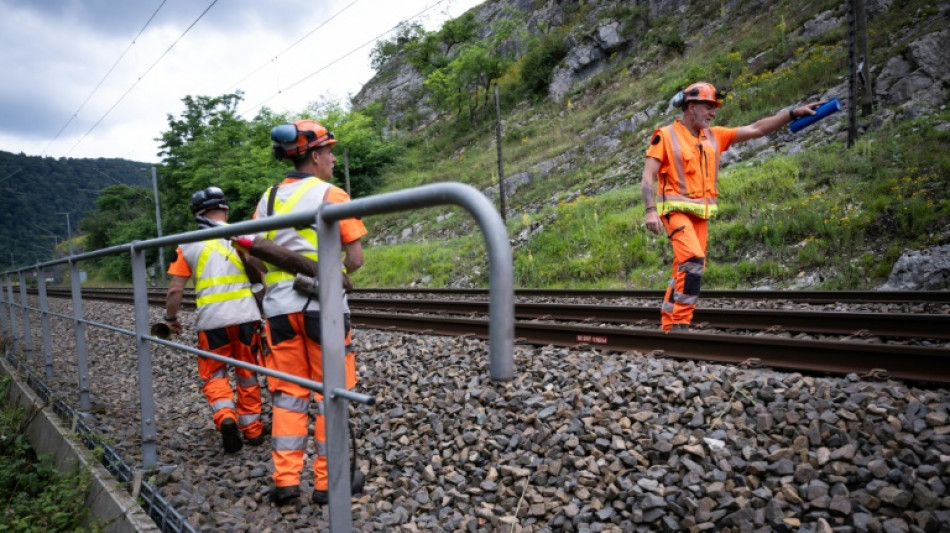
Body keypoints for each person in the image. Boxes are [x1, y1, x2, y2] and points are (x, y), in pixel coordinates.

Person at [642, 81, 823, 332]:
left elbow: (756, 129)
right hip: (674, 212)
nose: (713, 112)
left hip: (700, 215)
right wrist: (650, 211)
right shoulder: (666, 135)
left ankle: (667, 324)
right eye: (708, 106)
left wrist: (792, 114)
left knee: (686, 267)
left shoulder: (714, 136)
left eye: (714, 108)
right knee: (693, 260)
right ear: (691, 106)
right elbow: (647, 176)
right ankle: (681, 324)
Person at [253, 119, 367, 506]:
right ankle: (327, 483)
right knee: (329, 395)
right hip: (324, 309)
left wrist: (276, 279)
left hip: (281, 310)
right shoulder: (331, 194)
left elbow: (253, 252)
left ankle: (285, 481)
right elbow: (355, 259)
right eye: (330, 151)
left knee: (288, 395)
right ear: (314, 155)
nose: (333, 158)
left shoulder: (267, 199)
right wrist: (335, 272)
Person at [165, 186, 266, 453]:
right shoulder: (242, 235)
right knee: (247, 372)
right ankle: (253, 430)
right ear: (225, 208)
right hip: (246, 316)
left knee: (215, 374)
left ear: (196, 213)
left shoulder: (187, 244)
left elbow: (175, 289)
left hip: (212, 322)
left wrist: (170, 318)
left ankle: (227, 418)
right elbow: (262, 268)